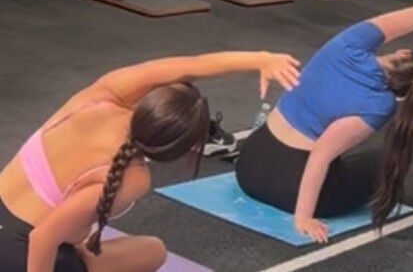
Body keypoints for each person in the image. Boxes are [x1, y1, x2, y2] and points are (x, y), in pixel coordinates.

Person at [234, 0, 413, 243]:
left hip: (249, 164)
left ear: (403, 53)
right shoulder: (380, 104)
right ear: (406, 93)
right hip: (287, 191)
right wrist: (303, 217)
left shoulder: (349, 43)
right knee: (380, 162)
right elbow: (320, 156)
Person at [0, 50, 300, 272]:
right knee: (150, 253)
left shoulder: (100, 95)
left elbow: (189, 65)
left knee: (140, 249)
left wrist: (259, 59)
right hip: (20, 252)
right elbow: (42, 238)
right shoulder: (132, 176)